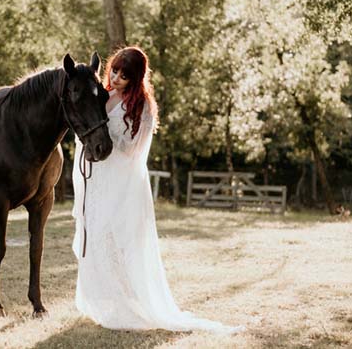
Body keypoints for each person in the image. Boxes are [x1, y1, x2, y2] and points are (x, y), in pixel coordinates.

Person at [71, 46, 243, 334]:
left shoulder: (143, 107)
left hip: (123, 183)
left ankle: (129, 303)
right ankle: (103, 301)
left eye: (125, 76)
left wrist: (106, 132)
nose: (116, 77)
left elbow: (132, 150)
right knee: (98, 236)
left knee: (121, 241)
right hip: (99, 179)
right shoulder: (103, 94)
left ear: (136, 78)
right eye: (114, 70)